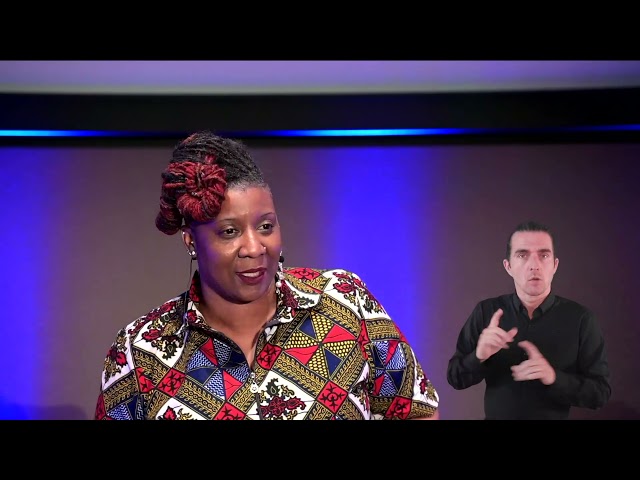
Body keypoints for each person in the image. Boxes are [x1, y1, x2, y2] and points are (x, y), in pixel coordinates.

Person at [94, 130, 440, 420]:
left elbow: (417, 411)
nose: (254, 247)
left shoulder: (344, 301)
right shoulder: (140, 352)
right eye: (229, 232)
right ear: (191, 241)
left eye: (265, 226)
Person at [446, 220, 611, 420]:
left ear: (555, 265)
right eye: (522, 255)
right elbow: (455, 378)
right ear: (508, 266)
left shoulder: (581, 319)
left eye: (544, 255)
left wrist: (554, 377)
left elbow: (600, 394)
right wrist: (479, 356)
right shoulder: (485, 312)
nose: (534, 265)